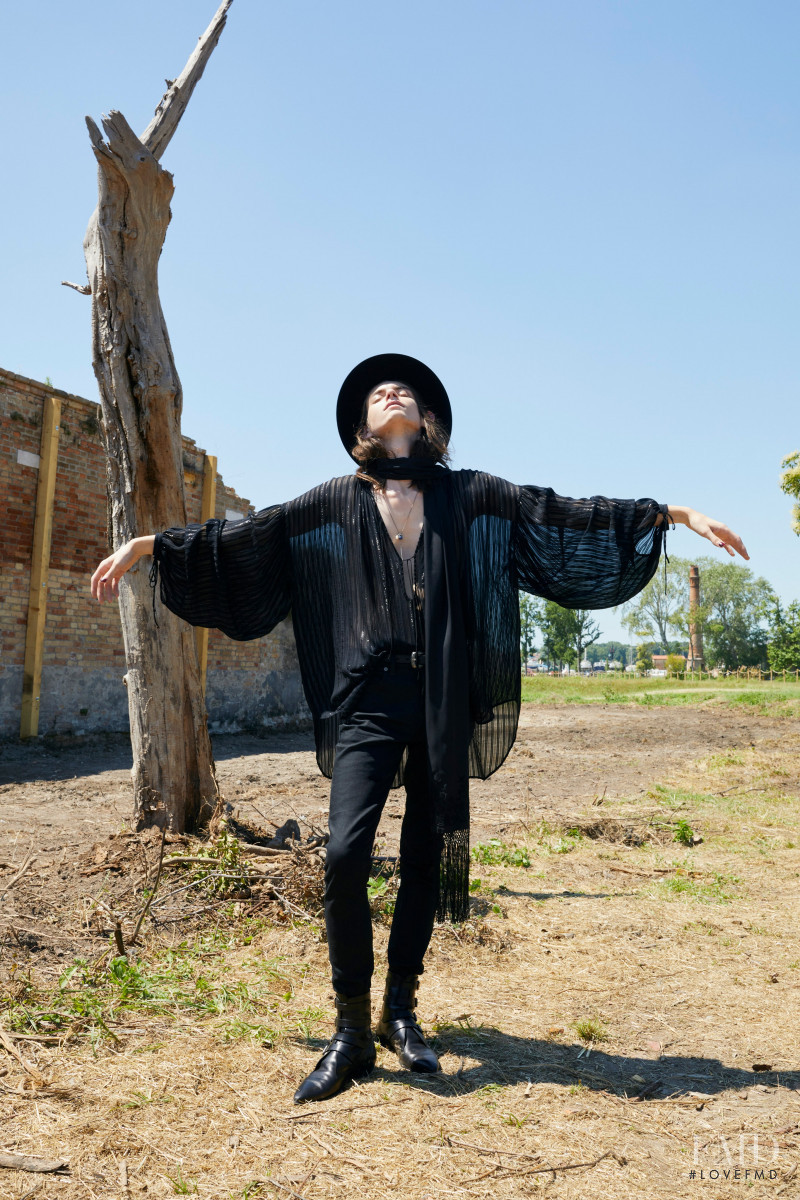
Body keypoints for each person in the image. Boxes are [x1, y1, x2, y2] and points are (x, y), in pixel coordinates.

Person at [91, 353, 748, 1103]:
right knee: (343, 852)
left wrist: (676, 514)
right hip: (368, 698)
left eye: (402, 389)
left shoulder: (469, 493)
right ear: (360, 425)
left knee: (425, 856)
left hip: (442, 698)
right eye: (377, 392)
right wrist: (150, 546)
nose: (391, 393)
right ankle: (348, 1029)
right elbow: (250, 537)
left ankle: (401, 1010)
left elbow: (561, 510)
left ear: (426, 418)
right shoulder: (336, 498)